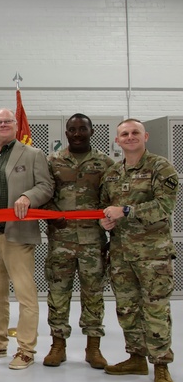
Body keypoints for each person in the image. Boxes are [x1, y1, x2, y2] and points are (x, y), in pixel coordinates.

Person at [100, 119, 177, 382]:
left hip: (153, 255)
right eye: (124, 134)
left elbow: (164, 206)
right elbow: (104, 208)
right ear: (117, 141)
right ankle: (135, 358)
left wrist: (126, 211)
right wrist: (105, 221)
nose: (130, 137)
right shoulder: (111, 174)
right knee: (127, 308)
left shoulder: (161, 167)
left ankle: (161, 365)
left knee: (155, 308)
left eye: (134, 133)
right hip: (121, 254)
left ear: (145, 136)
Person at [0, 108, 53, 369]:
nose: (3, 124)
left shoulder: (32, 154)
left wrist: (28, 196)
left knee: (25, 296)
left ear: (15, 125)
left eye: (8, 121)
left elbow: (46, 186)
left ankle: (27, 350)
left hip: (17, 236)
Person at [42, 114, 114, 368]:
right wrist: (52, 215)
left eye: (82, 129)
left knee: (93, 293)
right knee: (58, 293)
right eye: (72, 129)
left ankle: (93, 347)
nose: (77, 133)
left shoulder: (105, 162)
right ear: (66, 133)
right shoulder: (53, 161)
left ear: (91, 131)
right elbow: (44, 192)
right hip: (61, 240)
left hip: (93, 240)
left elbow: (111, 198)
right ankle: (57, 345)